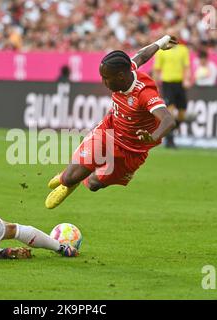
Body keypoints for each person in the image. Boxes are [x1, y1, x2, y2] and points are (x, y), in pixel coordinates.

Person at [45, 35, 177, 209]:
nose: (103, 82)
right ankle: (70, 180)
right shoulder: (127, 68)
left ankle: (81, 176)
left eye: (106, 78)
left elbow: (168, 120)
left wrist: (153, 137)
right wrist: (161, 42)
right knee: (69, 178)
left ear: (121, 77)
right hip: (108, 131)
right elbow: (142, 55)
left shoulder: (144, 93)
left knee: (93, 184)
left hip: (132, 151)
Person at [153, 28, 191, 148]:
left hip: (179, 83)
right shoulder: (161, 51)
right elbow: (157, 69)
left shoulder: (183, 50)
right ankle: (170, 139)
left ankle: (171, 132)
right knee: (170, 111)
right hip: (167, 83)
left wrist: (186, 79)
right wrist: (155, 84)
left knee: (182, 114)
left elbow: (187, 67)